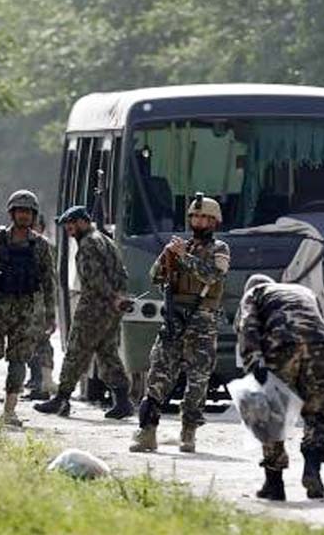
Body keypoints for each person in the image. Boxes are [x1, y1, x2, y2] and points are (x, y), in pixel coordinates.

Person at [130, 193, 230, 453]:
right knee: (158, 376)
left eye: (205, 217)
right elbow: (155, 277)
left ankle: (188, 431)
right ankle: (147, 431)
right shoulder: (180, 247)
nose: (199, 221)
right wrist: (167, 257)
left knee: (197, 381)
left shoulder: (219, 249)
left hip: (202, 323)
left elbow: (212, 275)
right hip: (174, 320)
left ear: (214, 222)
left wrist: (184, 256)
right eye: (195, 216)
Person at [235, 275, 324, 501]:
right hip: (320, 345)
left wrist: (255, 364)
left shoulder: (253, 293)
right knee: (317, 410)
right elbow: (319, 321)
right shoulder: (303, 291)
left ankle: (274, 483)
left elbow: (247, 327)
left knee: (271, 414)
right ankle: (312, 467)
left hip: (281, 346)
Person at [35, 205, 133, 419]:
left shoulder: (88, 243)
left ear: (83, 221)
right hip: (110, 309)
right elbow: (121, 274)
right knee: (108, 354)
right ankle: (123, 400)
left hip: (94, 307)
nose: (69, 229)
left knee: (76, 351)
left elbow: (95, 279)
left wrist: (112, 297)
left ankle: (61, 399)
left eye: (72, 223)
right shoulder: (106, 240)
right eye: (66, 225)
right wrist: (119, 297)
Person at [0, 190, 56, 426]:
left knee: (19, 360)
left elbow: (49, 282)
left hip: (26, 311)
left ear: (33, 215)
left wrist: (50, 315)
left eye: (28, 212)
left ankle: (10, 411)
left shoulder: (40, 245)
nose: (24, 215)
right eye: (20, 211)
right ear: (12, 213)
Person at [24, 212, 57, 400]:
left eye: (35, 225)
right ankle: (36, 379)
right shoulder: (17, 244)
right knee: (27, 342)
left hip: (40, 303)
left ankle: (43, 383)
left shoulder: (46, 248)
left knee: (41, 342)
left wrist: (50, 311)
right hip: (22, 302)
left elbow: (51, 280)